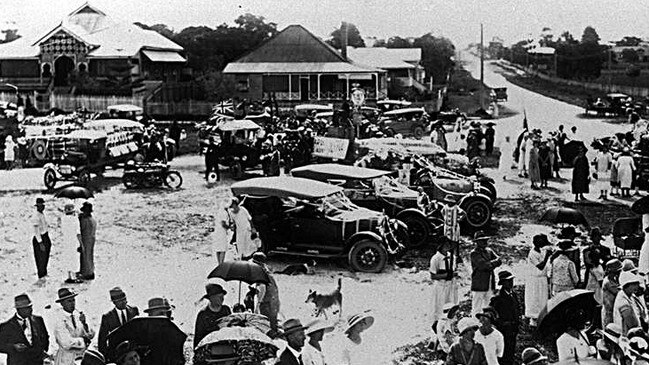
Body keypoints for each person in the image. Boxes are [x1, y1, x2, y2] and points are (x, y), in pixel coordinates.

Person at [0, 293, 50, 365]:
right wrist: (13, 347)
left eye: (30, 307)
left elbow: (45, 337)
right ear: (19, 309)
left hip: (37, 362)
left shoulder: (38, 320)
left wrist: (42, 351)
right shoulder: (6, 326)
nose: (31, 310)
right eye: (27, 308)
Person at [53, 288, 95, 365]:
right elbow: (66, 343)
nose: (72, 304)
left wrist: (85, 323)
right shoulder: (59, 319)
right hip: (66, 359)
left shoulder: (78, 316)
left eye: (73, 300)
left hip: (81, 357)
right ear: (62, 303)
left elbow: (91, 335)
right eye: (69, 301)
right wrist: (83, 341)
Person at [142, 297, 185, 365]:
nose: (161, 317)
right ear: (150, 315)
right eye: (158, 314)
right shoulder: (144, 333)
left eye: (162, 313)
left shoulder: (174, 332)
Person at [97, 287, 139, 358]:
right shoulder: (107, 317)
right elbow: (102, 339)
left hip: (133, 350)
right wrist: (105, 356)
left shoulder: (134, 310)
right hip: (116, 353)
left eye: (125, 299)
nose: (124, 302)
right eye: (120, 301)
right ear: (114, 302)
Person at [489, 271, 519, 365]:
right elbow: (492, 315)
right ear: (502, 283)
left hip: (513, 329)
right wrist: (502, 324)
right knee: (504, 353)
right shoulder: (497, 298)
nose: (511, 283)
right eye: (508, 281)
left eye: (511, 280)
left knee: (511, 351)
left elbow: (516, 309)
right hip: (504, 331)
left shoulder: (513, 295)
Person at [470, 231, 502, 317]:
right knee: (477, 306)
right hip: (479, 283)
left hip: (489, 283)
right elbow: (483, 266)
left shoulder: (489, 251)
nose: (484, 242)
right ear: (476, 242)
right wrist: (492, 264)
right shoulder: (474, 253)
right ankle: (475, 323)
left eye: (485, 240)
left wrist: (490, 264)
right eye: (481, 240)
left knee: (488, 305)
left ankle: (486, 322)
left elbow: (499, 260)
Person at [430, 240, 459, 324]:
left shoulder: (452, 257)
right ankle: (437, 324)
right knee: (439, 307)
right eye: (445, 245)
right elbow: (433, 276)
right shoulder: (435, 258)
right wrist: (446, 275)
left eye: (449, 244)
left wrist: (453, 275)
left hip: (451, 285)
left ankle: (450, 323)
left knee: (451, 305)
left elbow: (454, 270)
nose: (448, 246)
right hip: (441, 286)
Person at [525, 234, 552, 327]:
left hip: (542, 279)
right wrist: (547, 256)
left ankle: (541, 317)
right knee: (534, 298)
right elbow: (540, 266)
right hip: (535, 279)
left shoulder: (540, 251)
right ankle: (533, 319)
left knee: (542, 299)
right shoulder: (532, 253)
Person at [251, 253, 280, 338]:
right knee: (272, 322)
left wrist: (258, 304)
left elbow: (262, 288)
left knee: (265, 324)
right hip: (274, 300)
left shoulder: (260, 273)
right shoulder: (267, 271)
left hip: (267, 301)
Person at [193, 283, 231, 348]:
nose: (222, 299)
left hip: (226, 348)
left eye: (222, 297)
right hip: (210, 349)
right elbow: (198, 337)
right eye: (219, 297)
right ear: (211, 298)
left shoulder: (226, 310)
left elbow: (231, 329)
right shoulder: (203, 314)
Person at [59, 203, 81, 282]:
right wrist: (81, 243)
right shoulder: (75, 219)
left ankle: (68, 276)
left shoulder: (63, 219)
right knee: (74, 258)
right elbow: (78, 233)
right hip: (73, 240)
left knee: (67, 257)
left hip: (66, 240)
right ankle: (74, 277)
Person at [32, 198, 52, 279]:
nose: (42, 207)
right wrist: (40, 242)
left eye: (43, 205)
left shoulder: (41, 214)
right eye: (40, 205)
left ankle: (44, 271)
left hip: (45, 236)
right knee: (40, 257)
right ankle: (41, 273)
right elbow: (36, 231)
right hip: (40, 237)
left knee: (45, 255)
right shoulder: (36, 216)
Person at [77, 202, 96, 280]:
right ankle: (88, 271)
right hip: (91, 239)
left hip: (86, 239)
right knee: (88, 255)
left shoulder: (85, 220)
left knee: (86, 256)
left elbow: (80, 229)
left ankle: (87, 273)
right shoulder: (92, 219)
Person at [602, 259, 623, 328]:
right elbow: (619, 293)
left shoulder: (613, 280)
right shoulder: (608, 282)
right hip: (609, 312)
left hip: (613, 311)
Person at [213, 201, 233, 266]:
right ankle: (221, 263)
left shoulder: (219, 212)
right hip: (222, 232)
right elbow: (223, 223)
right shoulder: (224, 213)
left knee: (218, 248)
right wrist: (229, 227)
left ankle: (219, 263)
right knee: (222, 248)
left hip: (217, 231)